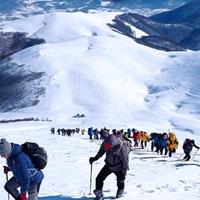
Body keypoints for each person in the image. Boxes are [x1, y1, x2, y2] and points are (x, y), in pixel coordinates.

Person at [89, 134, 132, 199]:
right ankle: (99, 195)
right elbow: (101, 151)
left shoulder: (121, 147)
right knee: (99, 179)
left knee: (120, 181)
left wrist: (124, 171)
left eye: (110, 147)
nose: (108, 148)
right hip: (108, 165)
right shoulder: (106, 143)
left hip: (118, 167)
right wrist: (95, 158)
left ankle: (119, 196)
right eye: (107, 146)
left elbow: (125, 160)